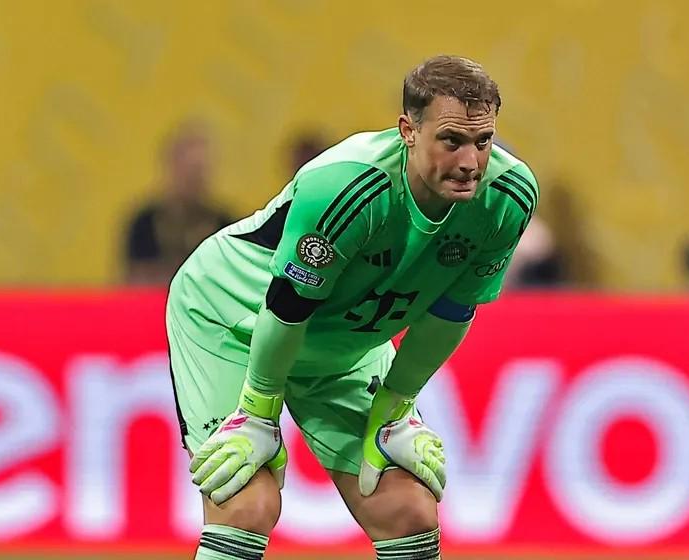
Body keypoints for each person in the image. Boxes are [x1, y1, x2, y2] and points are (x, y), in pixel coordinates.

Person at [165, 55, 538, 560]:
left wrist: (396, 405)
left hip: (343, 342)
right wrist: (257, 412)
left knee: (408, 512)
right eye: (451, 141)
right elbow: (288, 307)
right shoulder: (348, 186)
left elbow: (452, 312)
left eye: (483, 141)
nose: (471, 162)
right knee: (246, 504)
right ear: (408, 131)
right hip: (233, 319)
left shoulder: (507, 198)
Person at [123, 121, 233, 285]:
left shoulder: (225, 226)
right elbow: (133, 280)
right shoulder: (144, 223)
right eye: (189, 172)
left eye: (200, 172)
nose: (194, 181)